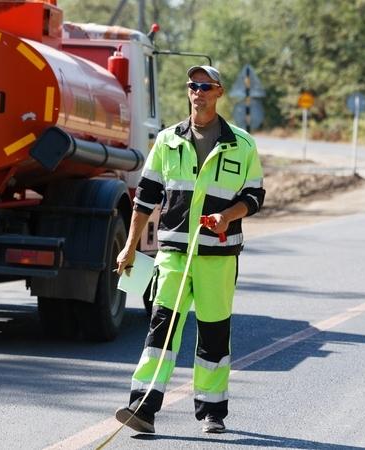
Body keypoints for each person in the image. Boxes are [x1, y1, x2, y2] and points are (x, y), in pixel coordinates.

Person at [114, 65, 265, 434]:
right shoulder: (167, 141)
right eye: (192, 86)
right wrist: (129, 248)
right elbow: (145, 199)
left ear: (219, 92)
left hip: (219, 256)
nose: (197, 92)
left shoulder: (242, 144)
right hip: (174, 255)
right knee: (161, 330)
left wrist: (227, 216)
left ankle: (212, 411)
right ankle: (143, 407)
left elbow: (255, 196)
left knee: (214, 333)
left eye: (205, 86)